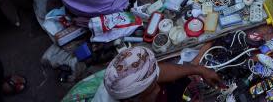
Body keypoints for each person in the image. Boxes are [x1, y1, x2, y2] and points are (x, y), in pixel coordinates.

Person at [92, 46, 222, 102]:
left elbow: (161, 72)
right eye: (152, 89)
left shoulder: (125, 77)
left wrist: (199, 70)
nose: (159, 89)